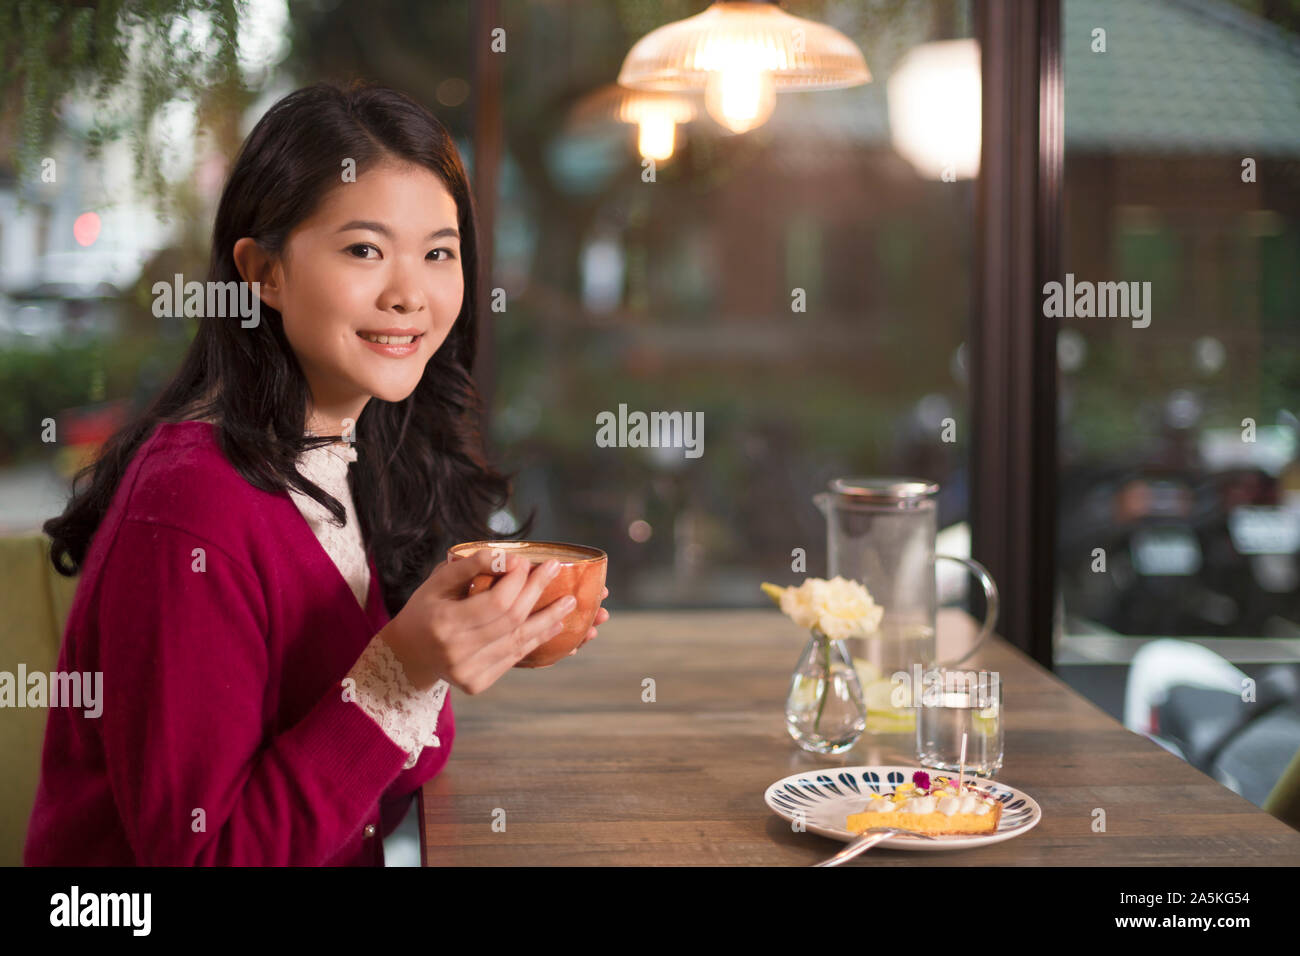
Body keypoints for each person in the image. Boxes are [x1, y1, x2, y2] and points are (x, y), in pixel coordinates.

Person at [26, 80, 609, 866]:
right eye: (364, 249)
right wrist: (404, 668)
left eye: (438, 252)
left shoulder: (357, 455)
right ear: (262, 272)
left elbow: (391, 777)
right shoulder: (192, 507)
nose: (409, 293)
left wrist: (466, 643)